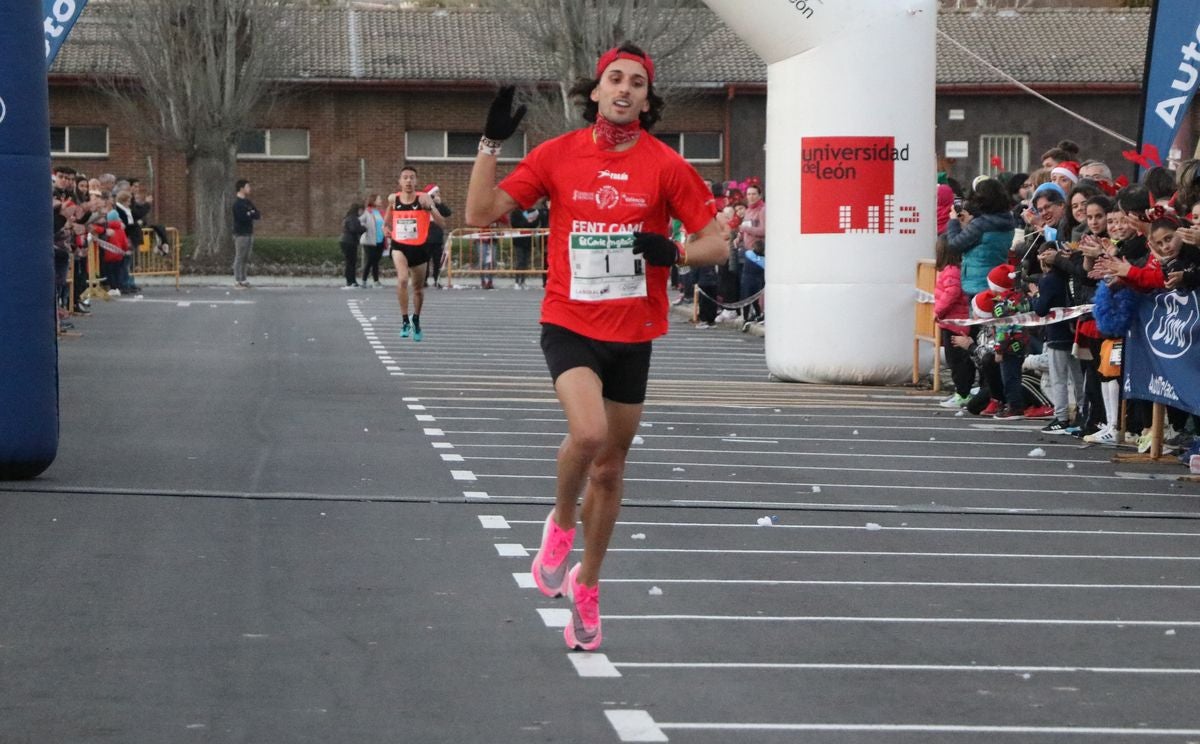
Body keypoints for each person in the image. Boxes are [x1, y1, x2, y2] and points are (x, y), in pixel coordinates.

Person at [465, 43, 729, 651]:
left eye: (637, 82)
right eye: (615, 79)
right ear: (595, 91)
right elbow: (481, 212)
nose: (625, 89)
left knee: (610, 468)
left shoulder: (666, 165)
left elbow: (717, 243)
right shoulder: (557, 155)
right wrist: (489, 144)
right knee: (587, 437)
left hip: (633, 332)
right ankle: (559, 525)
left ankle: (588, 585)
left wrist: (678, 252)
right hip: (569, 319)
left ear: (646, 97)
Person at [384, 165, 446, 341]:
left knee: (418, 289)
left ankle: (416, 319)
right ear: (400, 181)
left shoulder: (424, 199)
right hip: (399, 246)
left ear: (416, 181)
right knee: (403, 279)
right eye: (405, 177)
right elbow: (387, 220)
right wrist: (386, 228)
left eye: (412, 177)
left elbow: (442, 223)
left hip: (419, 248)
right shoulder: (393, 200)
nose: (408, 181)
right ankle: (404, 320)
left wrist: (431, 208)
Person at [231, 179, 260, 288]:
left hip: (249, 232)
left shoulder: (248, 202)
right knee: (239, 256)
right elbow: (242, 218)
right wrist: (249, 213)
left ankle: (244, 279)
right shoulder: (237, 204)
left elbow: (257, 214)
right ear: (242, 188)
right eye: (248, 187)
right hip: (240, 234)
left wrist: (250, 213)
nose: (249, 189)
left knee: (246, 257)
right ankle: (237, 280)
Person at [422, 185, 452, 289]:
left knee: (437, 260)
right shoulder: (425, 205)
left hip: (437, 237)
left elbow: (448, 213)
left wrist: (439, 204)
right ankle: (424, 280)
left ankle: (436, 279)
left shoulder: (438, 206)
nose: (439, 194)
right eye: (436, 192)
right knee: (425, 260)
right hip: (426, 236)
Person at [360, 194, 387, 288]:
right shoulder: (368, 212)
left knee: (376, 262)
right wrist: (365, 228)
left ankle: (376, 281)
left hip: (380, 240)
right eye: (379, 199)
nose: (381, 200)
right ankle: (364, 281)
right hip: (369, 241)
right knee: (370, 261)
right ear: (373, 201)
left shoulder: (380, 212)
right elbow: (360, 221)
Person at [339, 202, 366, 288]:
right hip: (349, 242)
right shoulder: (353, 218)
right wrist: (363, 229)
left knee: (350, 262)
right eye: (361, 210)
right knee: (351, 262)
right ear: (358, 210)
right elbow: (354, 229)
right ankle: (350, 281)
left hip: (346, 241)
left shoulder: (349, 217)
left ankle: (351, 280)